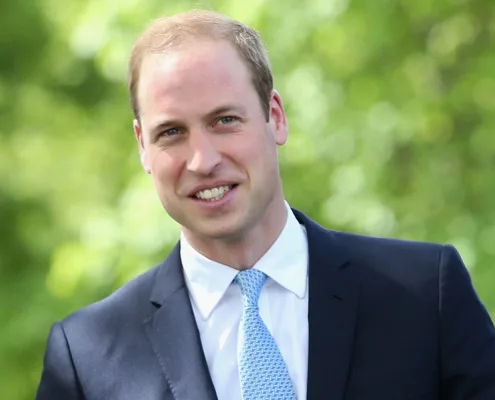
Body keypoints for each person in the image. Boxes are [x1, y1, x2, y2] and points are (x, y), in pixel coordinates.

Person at [36, 9, 495, 400]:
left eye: (225, 120)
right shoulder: (86, 358)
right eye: (172, 132)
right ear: (142, 146)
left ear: (275, 117)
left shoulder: (426, 297)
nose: (203, 160)